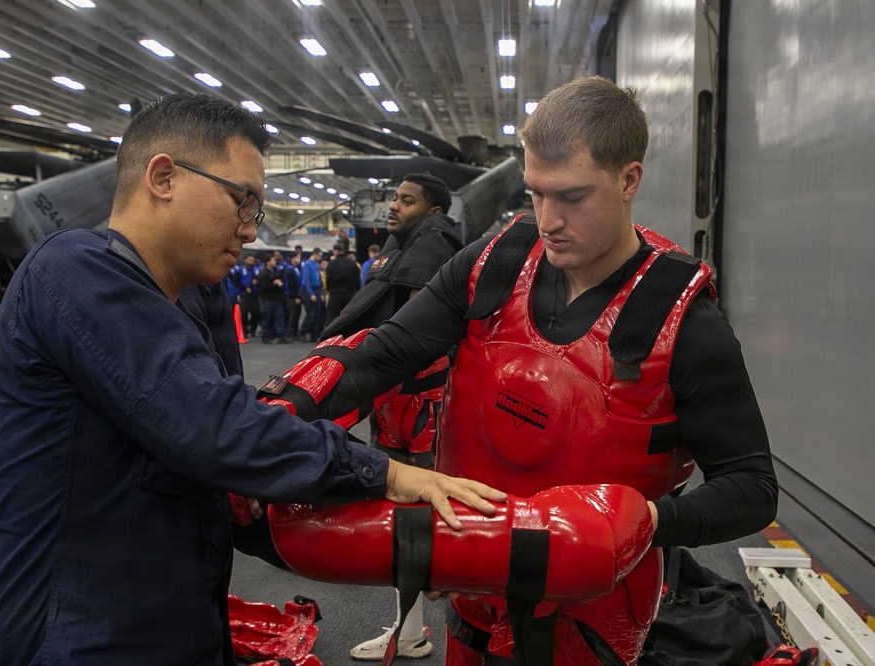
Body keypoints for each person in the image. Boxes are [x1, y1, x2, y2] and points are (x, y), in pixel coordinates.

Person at [259, 76, 778, 665]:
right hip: (471, 590)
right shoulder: (492, 266)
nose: (548, 219)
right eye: (535, 193)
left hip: (594, 613)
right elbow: (380, 356)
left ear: (628, 180)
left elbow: (752, 487)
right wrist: (267, 423)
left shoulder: (684, 322)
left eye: (571, 197)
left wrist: (645, 522)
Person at [0, 92, 506, 666]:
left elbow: (230, 472)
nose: (251, 231)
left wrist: (423, 549)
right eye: (243, 202)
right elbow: (216, 430)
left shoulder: (189, 299)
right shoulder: (74, 272)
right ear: (163, 178)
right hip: (82, 639)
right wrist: (387, 474)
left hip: (178, 618)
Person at [321, 171, 463, 661]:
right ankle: (411, 630)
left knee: (420, 519)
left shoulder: (433, 248)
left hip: (420, 406)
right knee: (404, 515)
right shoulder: (406, 248)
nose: (394, 206)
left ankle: (418, 631)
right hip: (397, 403)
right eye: (395, 199)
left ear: (434, 210)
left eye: (407, 200)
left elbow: (416, 334)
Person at [323, 241, 361, 327]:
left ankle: (331, 333)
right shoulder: (352, 263)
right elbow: (357, 279)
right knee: (348, 316)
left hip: (335, 294)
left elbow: (328, 279)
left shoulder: (332, 264)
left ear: (335, 251)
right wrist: (356, 289)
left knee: (332, 317)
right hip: (349, 294)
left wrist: (329, 289)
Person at [256, 253, 288, 343]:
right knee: (267, 318)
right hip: (267, 299)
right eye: (273, 260)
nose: (275, 262)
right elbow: (265, 286)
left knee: (279, 317)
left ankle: (281, 336)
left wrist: (278, 282)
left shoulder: (275, 270)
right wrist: (275, 284)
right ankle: (265, 336)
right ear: (267, 262)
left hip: (277, 298)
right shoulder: (263, 273)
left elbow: (281, 279)